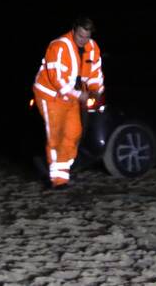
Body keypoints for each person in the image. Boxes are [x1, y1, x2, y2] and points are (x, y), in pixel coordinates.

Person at [33, 16, 105, 188]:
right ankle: (56, 180)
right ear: (73, 31)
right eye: (80, 36)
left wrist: (97, 92)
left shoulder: (92, 48)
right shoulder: (58, 46)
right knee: (55, 134)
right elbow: (56, 79)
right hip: (50, 96)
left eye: (87, 36)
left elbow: (95, 73)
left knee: (74, 132)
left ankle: (62, 174)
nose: (83, 40)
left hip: (71, 96)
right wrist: (79, 96)